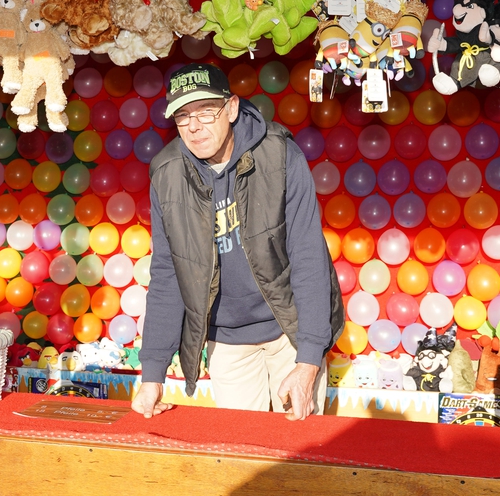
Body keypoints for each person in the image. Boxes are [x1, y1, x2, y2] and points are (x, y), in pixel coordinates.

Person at [132, 63, 344, 422]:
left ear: (231, 108)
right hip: (226, 341)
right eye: (182, 115)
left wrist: (309, 359)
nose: (194, 126)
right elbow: (169, 274)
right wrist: (152, 374)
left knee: (298, 446)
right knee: (241, 447)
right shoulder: (167, 175)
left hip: (289, 332)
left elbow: (308, 256)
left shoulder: (279, 155)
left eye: (205, 111)